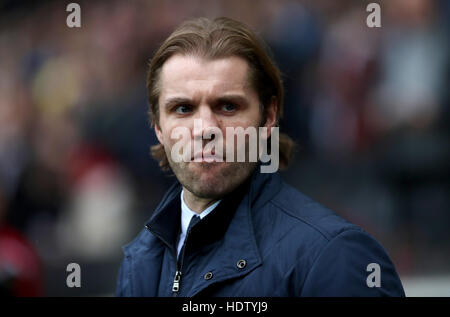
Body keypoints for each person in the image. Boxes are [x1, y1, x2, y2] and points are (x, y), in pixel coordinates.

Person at [116, 17, 405, 297]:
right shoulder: (141, 261)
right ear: (158, 126)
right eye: (182, 109)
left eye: (227, 106)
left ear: (268, 117)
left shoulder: (334, 255)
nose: (205, 129)